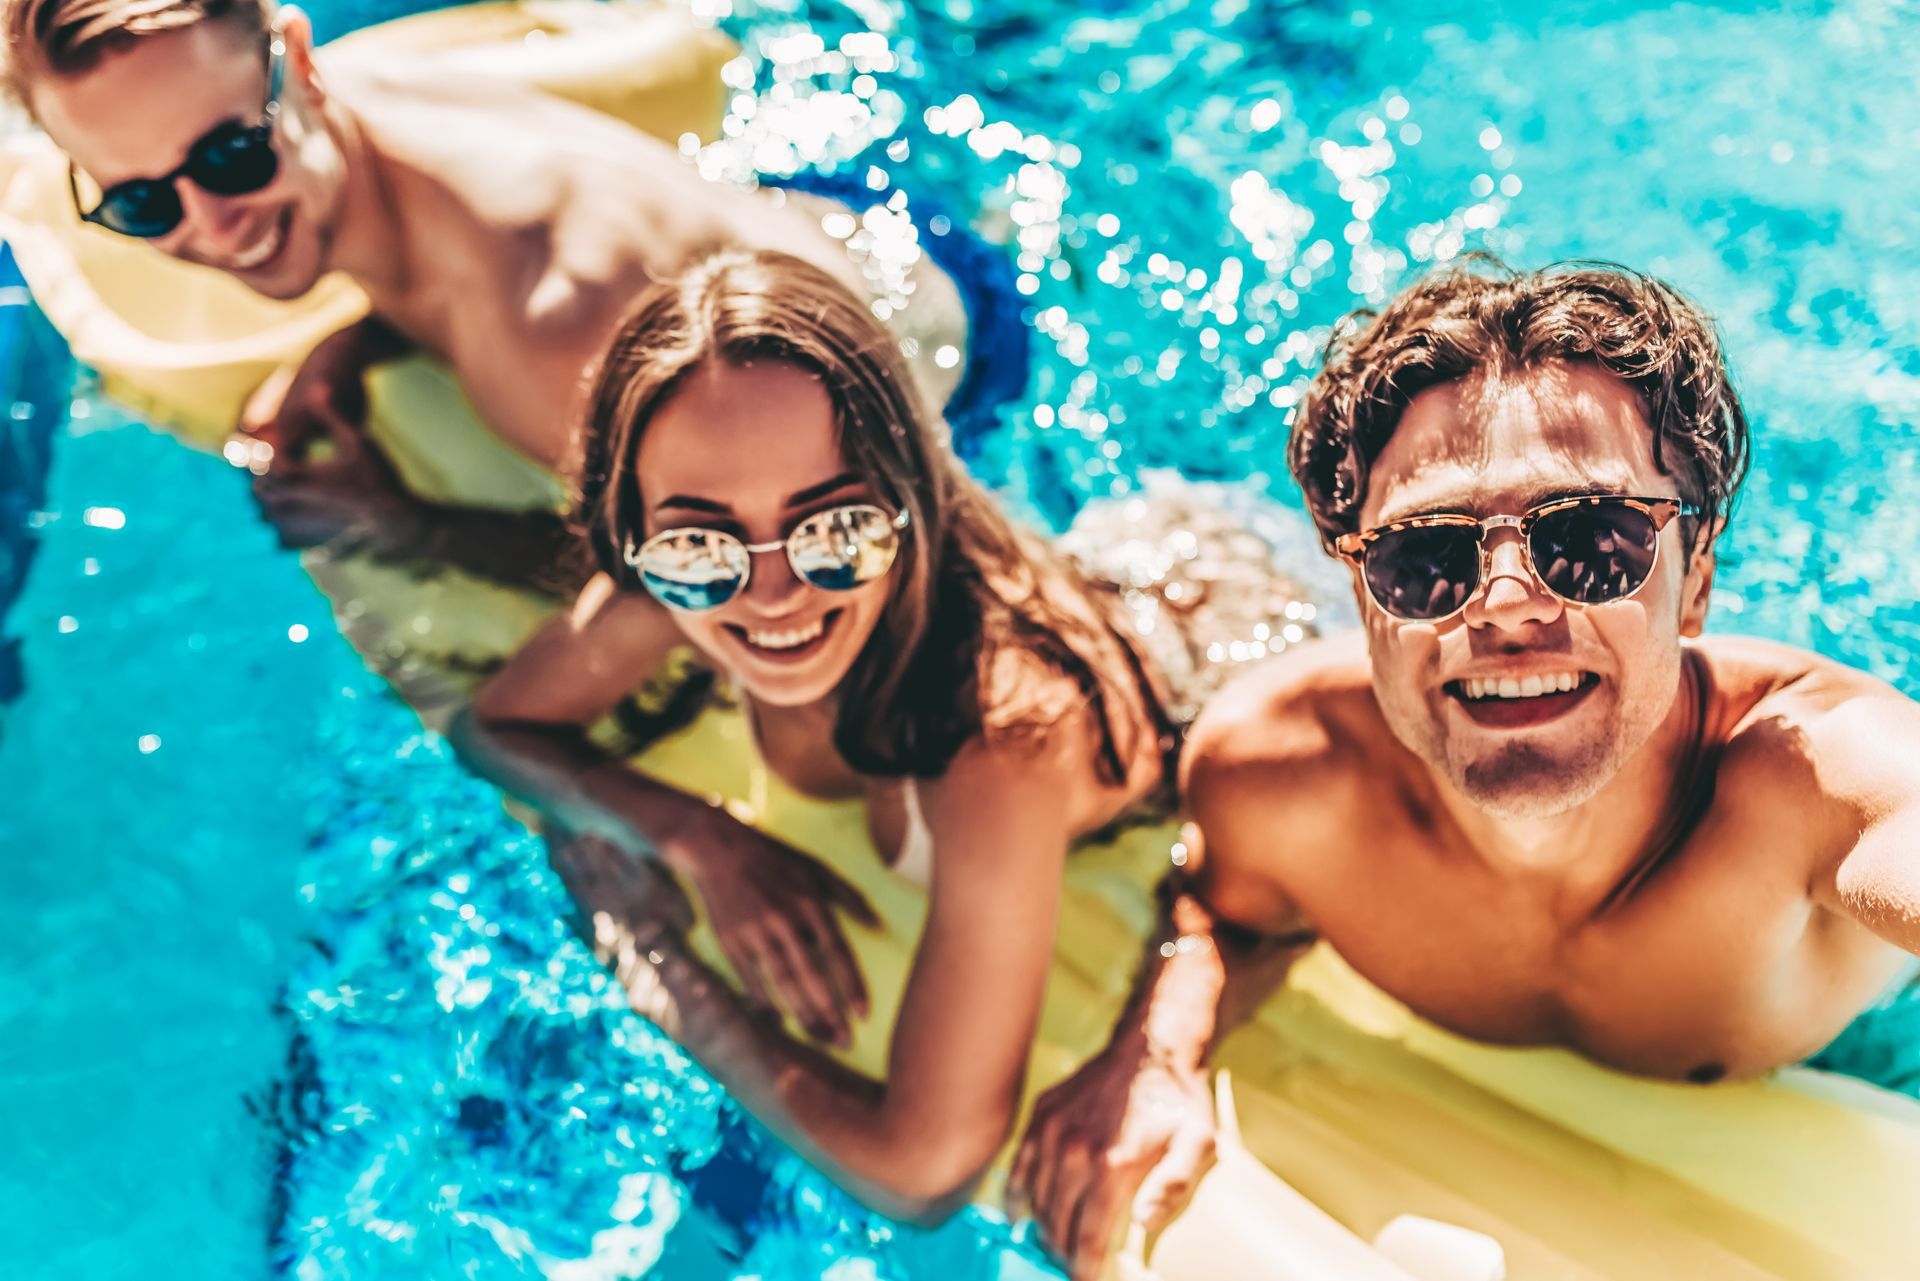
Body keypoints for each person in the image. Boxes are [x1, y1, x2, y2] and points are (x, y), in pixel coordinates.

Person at [1010, 259, 1920, 1278]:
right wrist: (1157, 1048)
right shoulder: (1283, 770)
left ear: (1695, 579)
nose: (1504, 603)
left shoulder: (1814, 778)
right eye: (1425, 558)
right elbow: (1228, 911)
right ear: (1362, 597)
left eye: (1590, 539)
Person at [451, 249, 1190, 1220]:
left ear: (906, 498)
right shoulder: (671, 580)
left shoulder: (1000, 740)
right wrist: (699, 840)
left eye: (833, 528)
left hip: (1203, 634)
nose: (770, 595)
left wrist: (661, 966)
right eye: (700, 541)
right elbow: (492, 730)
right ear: (635, 526)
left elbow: (924, 1169)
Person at [4, 0, 994, 580]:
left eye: (231, 155)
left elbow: (714, 576)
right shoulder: (363, 102)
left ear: (296, 64)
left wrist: (410, 532)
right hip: (847, 223)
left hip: (950, 390)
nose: (209, 227)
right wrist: (355, 339)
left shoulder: (544, 327)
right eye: (138, 202)